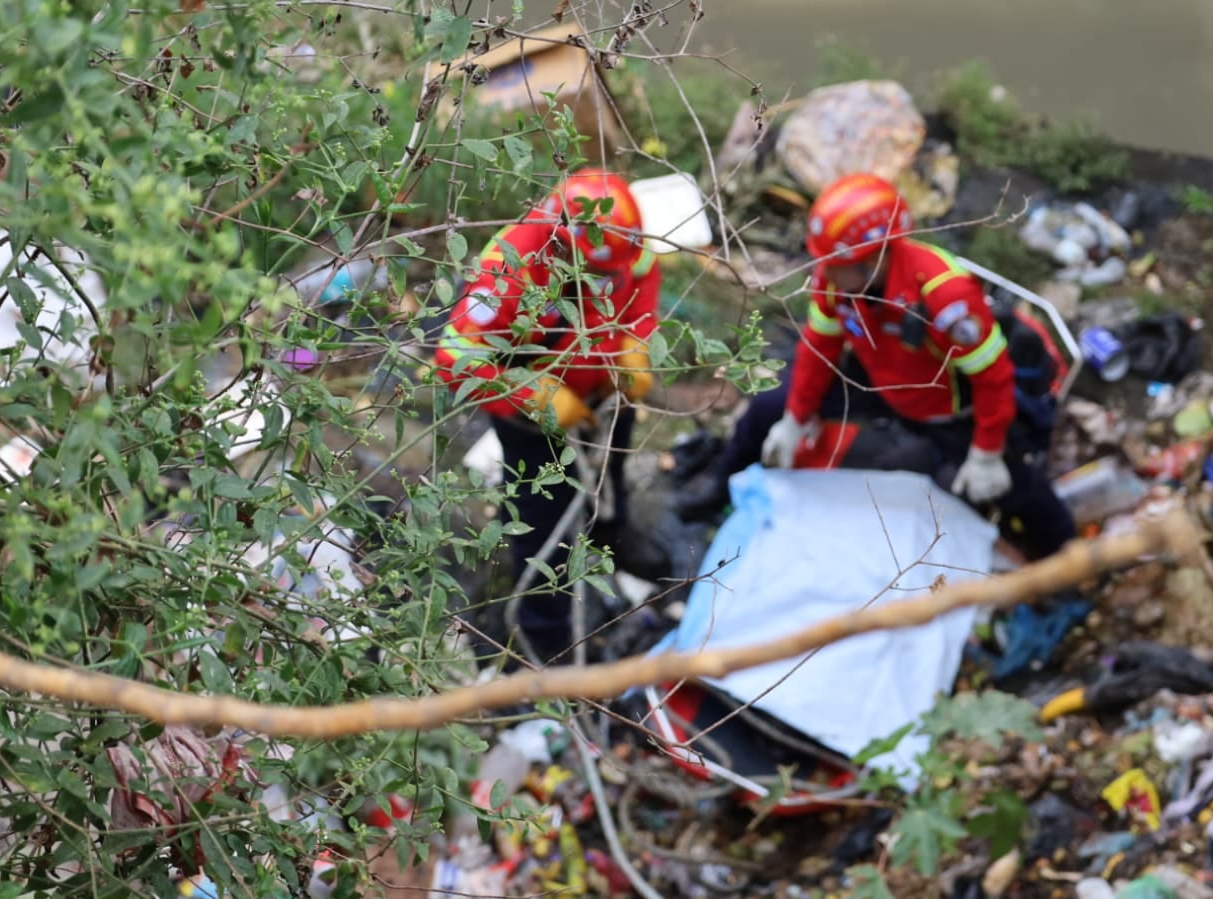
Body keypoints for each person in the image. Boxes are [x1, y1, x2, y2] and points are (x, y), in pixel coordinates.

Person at [675, 172, 1088, 673]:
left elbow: (994, 378)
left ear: (877, 256)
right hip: (877, 382)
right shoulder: (839, 279)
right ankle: (720, 485)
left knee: (1020, 489)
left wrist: (986, 452)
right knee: (765, 411)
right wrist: (795, 418)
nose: (823, 273)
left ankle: (1070, 568)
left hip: (947, 409)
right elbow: (819, 348)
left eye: (837, 264)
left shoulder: (944, 297)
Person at [434, 167, 659, 664]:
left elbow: (643, 275)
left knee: (610, 471)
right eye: (597, 278)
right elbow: (454, 355)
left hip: (604, 390)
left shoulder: (619, 239)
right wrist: (530, 393)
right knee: (545, 520)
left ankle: (611, 539)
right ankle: (546, 640)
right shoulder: (511, 268)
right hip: (533, 421)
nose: (609, 285)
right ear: (561, 253)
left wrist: (635, 342)